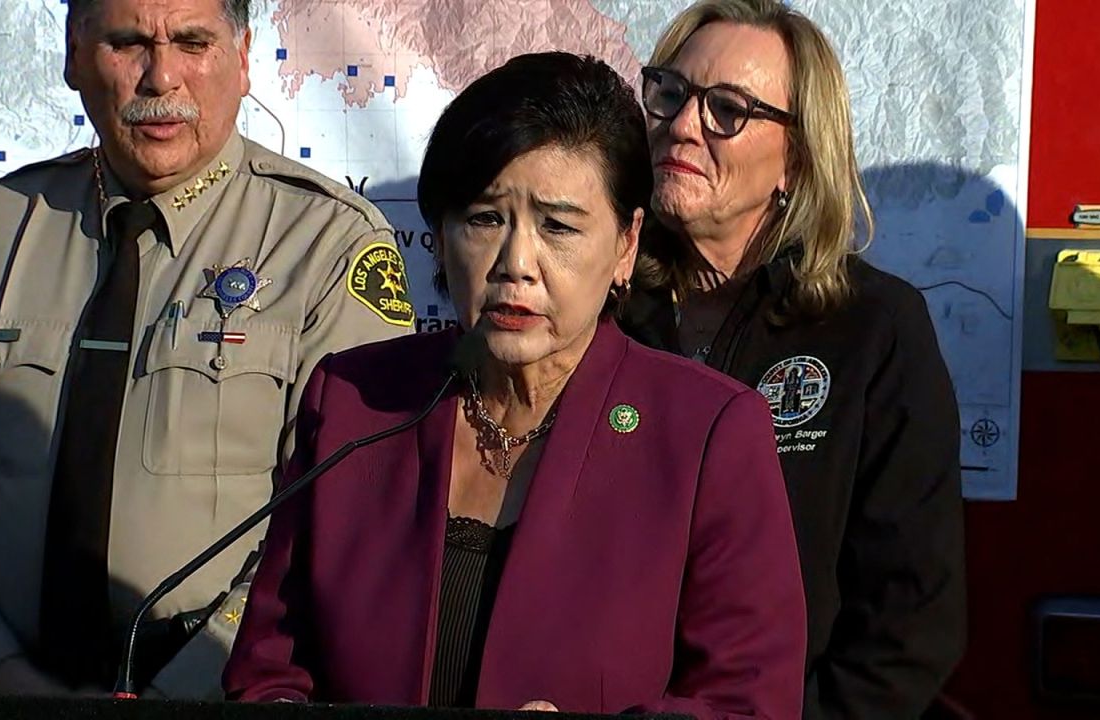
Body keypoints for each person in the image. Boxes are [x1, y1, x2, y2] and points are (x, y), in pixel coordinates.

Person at [223, 52, 806, 719]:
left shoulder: (708, 431)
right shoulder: (355, 400)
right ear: (438, 238)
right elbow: (271, 668)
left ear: (625, 244)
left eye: (558, 226)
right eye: (483, 219)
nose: (516, 265)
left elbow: (747, 700)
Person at [0, 0, 412, 701]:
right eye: (127, 42)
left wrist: (176, 698)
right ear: (72, 53)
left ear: (244, 58)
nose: (161, 77)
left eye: (192, 41)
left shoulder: (326, 245)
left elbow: (344, 524)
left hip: (218, 695)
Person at [617, 1, 966, 718]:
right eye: (671, 94)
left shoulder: (873, 328)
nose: (684, 126)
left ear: (797, 159)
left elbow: (912, 620)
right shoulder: (601, 312)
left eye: (728, 110)